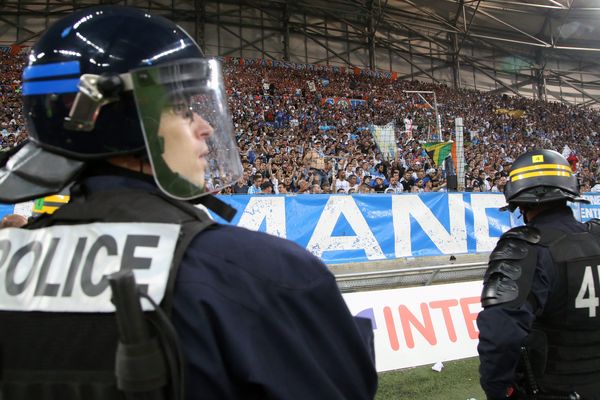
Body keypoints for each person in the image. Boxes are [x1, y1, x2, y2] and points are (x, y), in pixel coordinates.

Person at [0, 6, 377, 400]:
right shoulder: (263, 275)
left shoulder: (9, 263)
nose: (206, 126)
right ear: (126, 119)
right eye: (182, 109)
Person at [477, 149, 599, 400]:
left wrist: (496, 391)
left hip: (552, 388)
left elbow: (500, 336)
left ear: (518, 201)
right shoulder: (596, 236)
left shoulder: (526, 249)